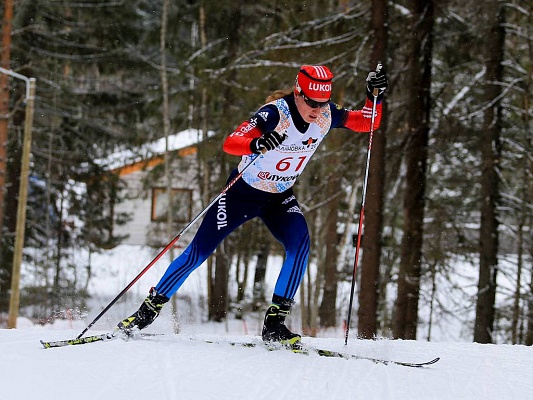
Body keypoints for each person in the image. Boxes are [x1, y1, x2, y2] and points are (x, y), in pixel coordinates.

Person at [116, 64, 388, 349]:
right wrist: (255, 143)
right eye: (311, 102)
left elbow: (366, 122)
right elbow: (231, 143)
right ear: (298, 93)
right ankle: (144, 314)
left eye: (323, 104)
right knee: (198, 252)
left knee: (301, 246)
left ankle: (274, 324)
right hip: (241, 194)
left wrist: (375, 97)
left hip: (279, 197)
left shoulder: (326, 114)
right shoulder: (274, 114)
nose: (318, 110)